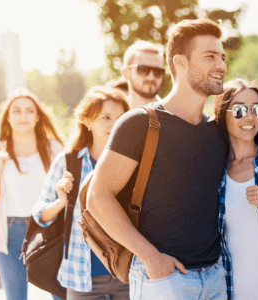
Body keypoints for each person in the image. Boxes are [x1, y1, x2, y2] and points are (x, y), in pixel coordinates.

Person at [86, 18, 230, 300]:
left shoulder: (217, 130)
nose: (222, 65)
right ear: (180, 62)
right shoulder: (139, 123)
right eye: (210, 56)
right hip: (164, 279)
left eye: (222, 57)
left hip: (215, 277)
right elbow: (98, 197)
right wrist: (151, 257)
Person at [32, 87, 130, 299]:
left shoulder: (135, 163)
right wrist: (60, 202)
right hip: (81, 277)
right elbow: (40, 214)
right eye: (106, 117)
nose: (115, 123)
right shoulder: (68, 162)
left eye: (121, 117)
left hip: (128, 274)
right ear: (87, 122)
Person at [0, 88, 63, 300]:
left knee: (61, 295)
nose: (23, 116)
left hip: (49, 230)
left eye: (29, 111)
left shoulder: (54, 148)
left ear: (37, 116)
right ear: (7, 117)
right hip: (9, 233)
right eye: (16, 111)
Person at [215, 78, 258, 299]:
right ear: (222, 113)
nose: (250, 117)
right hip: (233, 290)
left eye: (257, 109)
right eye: (240, 110)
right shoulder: (213, 170)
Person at [121, 40, 165, 108]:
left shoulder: (174, 114)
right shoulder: (114, 115)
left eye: (158, 71)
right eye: (143, 70)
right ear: (126, 73)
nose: (151, 77)